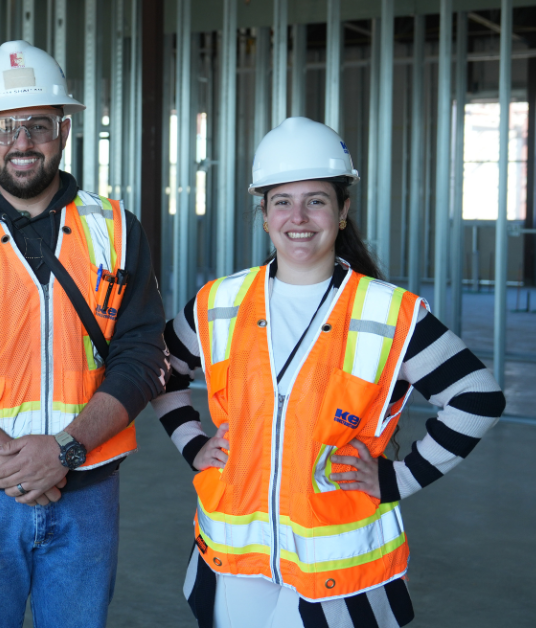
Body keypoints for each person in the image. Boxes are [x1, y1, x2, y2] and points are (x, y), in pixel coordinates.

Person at [152, 116, 506, 628]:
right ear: (265, 213)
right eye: (282, 201)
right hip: (234, 553)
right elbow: (161, 370)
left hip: (338, 566)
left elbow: (478, 397)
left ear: (342, 211)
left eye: (315, 200)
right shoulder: (220, 302)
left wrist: (400, 479)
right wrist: (192, 443)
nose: (298, 216)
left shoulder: (389, 312)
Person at [0, 40, 167, 628]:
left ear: (63, 129)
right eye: (3, 127)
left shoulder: (116, 228)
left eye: (37, 126)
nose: (21, 143)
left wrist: (64, 450)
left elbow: (142, 355)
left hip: (86, 486)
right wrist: (6, 458)